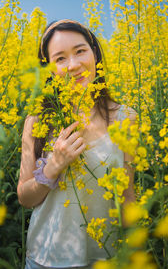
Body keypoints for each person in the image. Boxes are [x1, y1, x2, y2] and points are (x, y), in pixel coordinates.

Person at [17, 19, 136, 269]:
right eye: (60, 58)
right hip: (45, 259)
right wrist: (53, 166)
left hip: (106, 258)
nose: (73, 65)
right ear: (50, 69)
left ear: (94, 52)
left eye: (80, 51)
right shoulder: (37, 120)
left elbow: (127, 196)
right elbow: (25, 198)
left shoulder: (127, 118)